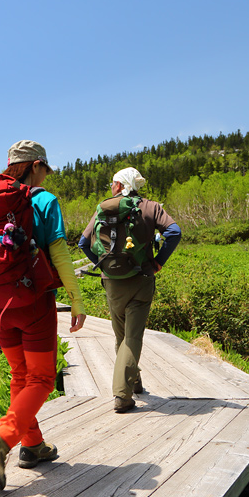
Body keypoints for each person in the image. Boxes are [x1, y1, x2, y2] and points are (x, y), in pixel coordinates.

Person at [0, 140, 87, 490]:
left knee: (21, 375)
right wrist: (77, 299)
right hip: (34, 302)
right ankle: (2, 440)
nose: (46, 176)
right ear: (36, 165)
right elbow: (60, 254)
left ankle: (32, 445)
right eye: (45, 169)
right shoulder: (43, 200)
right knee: (41, 379)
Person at [78, 167, 181, 413]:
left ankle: (133, 383)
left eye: (112, 184)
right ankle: (122, 396)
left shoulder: (103, 208)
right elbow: (174, 232)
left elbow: (83, 243)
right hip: (142, 277)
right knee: (133, 336)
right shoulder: (151, 207)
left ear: (118, 185)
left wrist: (102, 264)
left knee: (121, 336)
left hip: (112, 282)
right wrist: (158, 262)